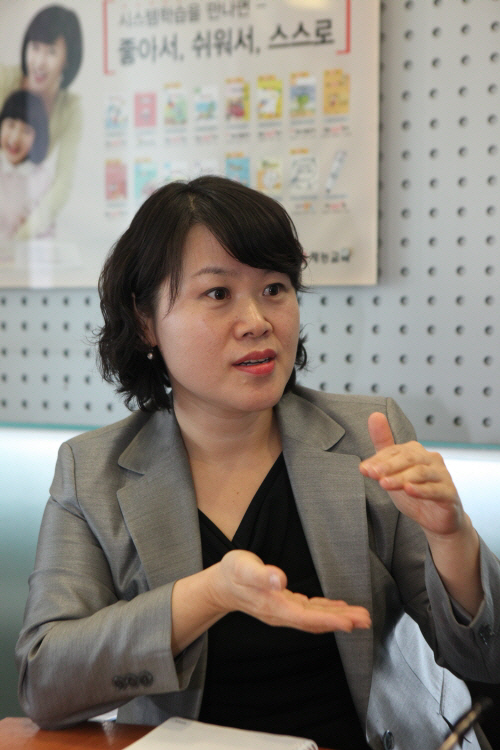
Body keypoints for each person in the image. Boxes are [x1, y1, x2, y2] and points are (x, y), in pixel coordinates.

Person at [16, 177, 500, 750]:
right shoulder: (92, 470)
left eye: (274, 288)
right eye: (218, 293)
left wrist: (452, 539)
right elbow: (45, 683)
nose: (256, 320)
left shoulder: (367, 437)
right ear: (146, 321)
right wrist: (211, 594)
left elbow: (485, 657)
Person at [0, 4, 83, 239]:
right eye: (35, 47)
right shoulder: (4, 79)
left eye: (51, 52)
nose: (39, 62)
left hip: (26, 225)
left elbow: (63, 182)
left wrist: (26, 231)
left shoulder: (70, 108)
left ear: (68, 60)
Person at [0, 89, 53, 243]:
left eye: (26, 130)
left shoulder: (43, 179)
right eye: (11, 125)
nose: (15, 138)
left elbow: (47, 232)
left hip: (27, 254)